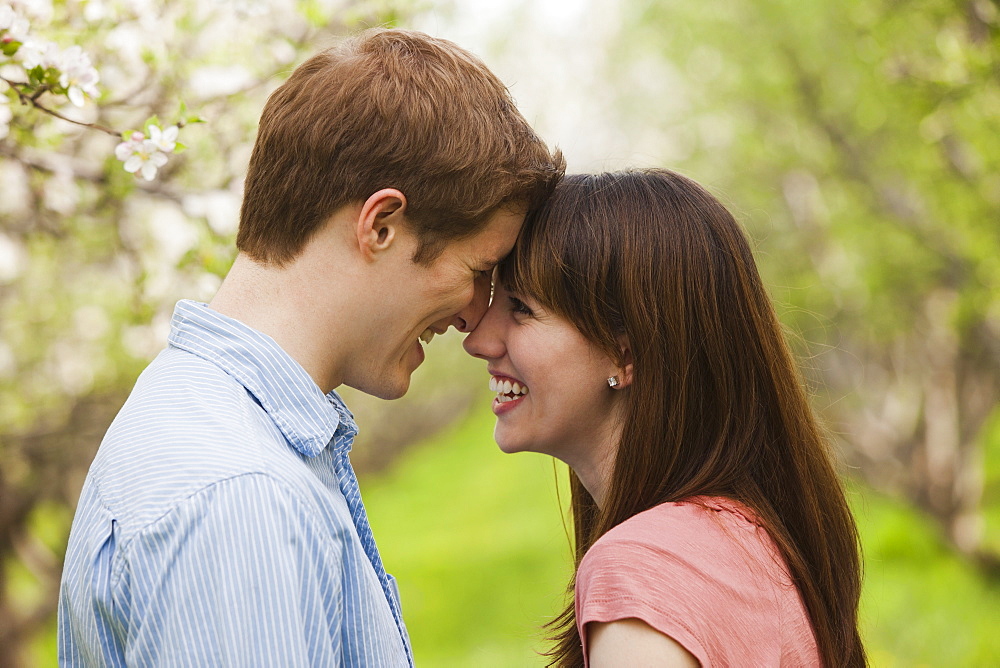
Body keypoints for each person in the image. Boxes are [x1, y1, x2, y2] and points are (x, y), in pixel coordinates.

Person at [58, 28, 564, 666]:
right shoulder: (235, 495)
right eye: (478, 270)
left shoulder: (224, 433)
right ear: (380, 226)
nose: (474, 316)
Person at [464, 169, 866, 667]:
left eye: (520, 308)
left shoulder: (645, 570)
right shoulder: (745, 537)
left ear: (623, 354)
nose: (477, 340)